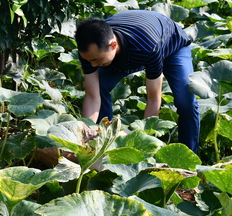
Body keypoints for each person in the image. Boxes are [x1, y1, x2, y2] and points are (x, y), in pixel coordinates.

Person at [75, 10, 200, 153]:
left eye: (96, 60)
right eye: (88, 60)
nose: (91, 65)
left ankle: (190, 155)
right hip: (127, 50)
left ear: (113, 45)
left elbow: (153, 99)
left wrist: (144, 144)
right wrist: (85, 132)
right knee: (100, 85)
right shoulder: (89, 52)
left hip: (171, 45)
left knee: (186, 102)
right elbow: (92, 96)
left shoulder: (147, 46)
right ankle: (101, 144)